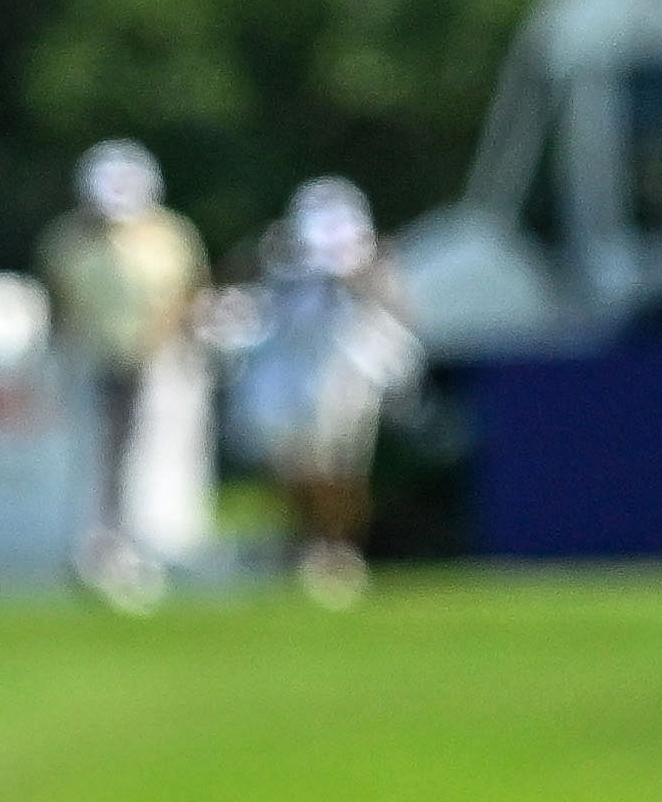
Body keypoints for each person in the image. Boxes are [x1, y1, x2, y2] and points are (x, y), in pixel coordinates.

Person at [228, 175, 419, 603]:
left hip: (344, 377)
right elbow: (259, 304)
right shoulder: (278, 255)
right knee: (293, 466)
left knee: (342, 470)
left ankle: (341, 551)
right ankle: (307, 547)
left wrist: (358, 275)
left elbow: (399, 317)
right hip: (292, 374)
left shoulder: (376, 262)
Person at [43, 141, 215, 599]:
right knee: (96, 460)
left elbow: (186, 297)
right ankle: (100, 548)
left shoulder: (172, 235)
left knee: (153, 459)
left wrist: (150, 348)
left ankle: (149, 549)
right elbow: (62, 306)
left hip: (160, 363)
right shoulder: (68, 240)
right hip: (92, 361)